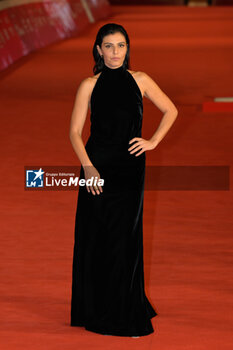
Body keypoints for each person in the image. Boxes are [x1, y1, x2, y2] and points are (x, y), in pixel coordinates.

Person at [69, 22, 178, 337]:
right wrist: (88, 167)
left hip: (130, 169)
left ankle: (124, 308)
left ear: (127, 49)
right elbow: (75, 132)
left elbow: (170, 110)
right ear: (98, 50)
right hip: (97, 168)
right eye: (109, 46)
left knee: (125, 239)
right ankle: (96, 307)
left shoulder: (140, 80)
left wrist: (153, 141)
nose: (115, 52)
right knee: (96, 237)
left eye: (121, 46)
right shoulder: (89, 85)